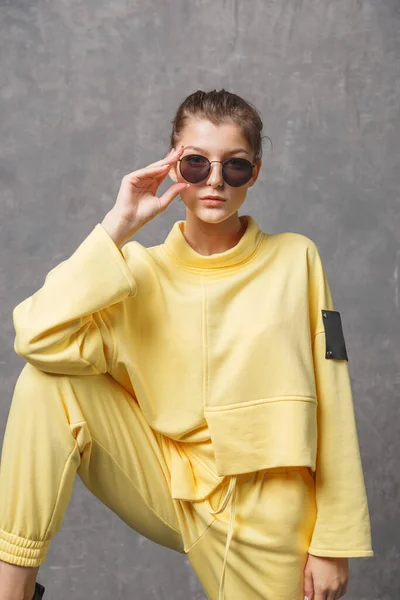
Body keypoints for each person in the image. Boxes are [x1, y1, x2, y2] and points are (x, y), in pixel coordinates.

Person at [0, 89, 373, 600]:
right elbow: (36, 336)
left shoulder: (297, 260)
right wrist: (118, 226)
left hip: (272, 510)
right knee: (45, 384)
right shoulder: (134, 271)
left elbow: (334, 398)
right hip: (173, 484)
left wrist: (335, 541)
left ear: (255, 172)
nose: (215, 179)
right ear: (174, 166)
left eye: (235, 166)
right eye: (197, 164)